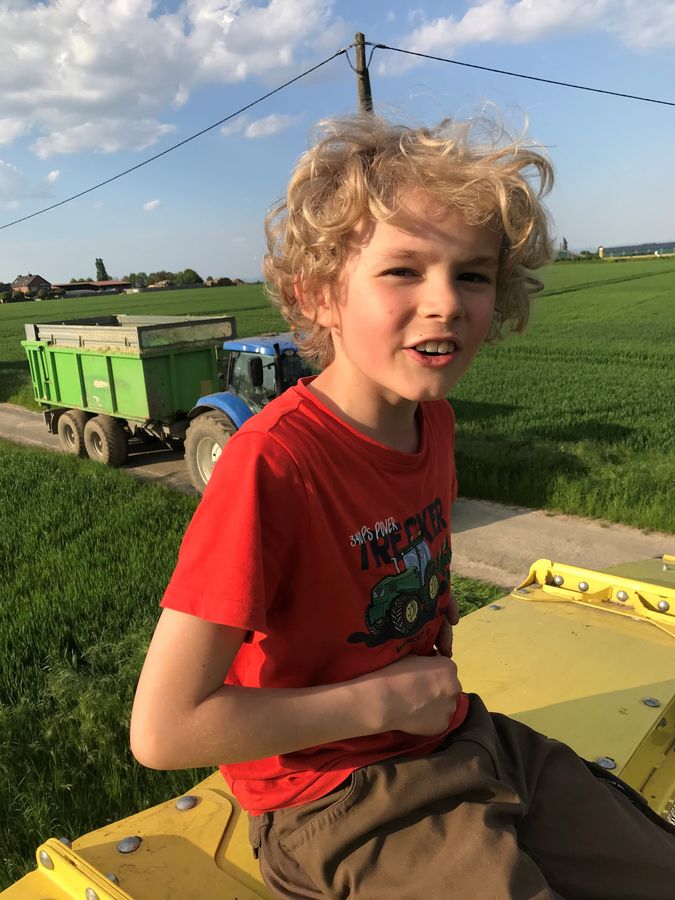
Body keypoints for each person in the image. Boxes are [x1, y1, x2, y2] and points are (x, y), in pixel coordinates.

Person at [130, 113, 675, 899]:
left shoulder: (433, 423)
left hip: (459, 734)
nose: (445, 302)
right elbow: (165, 727)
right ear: (320, 294)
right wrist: (383, 698)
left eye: (473, 274)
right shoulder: (274, 466)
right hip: (334, 797)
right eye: (402, 271)